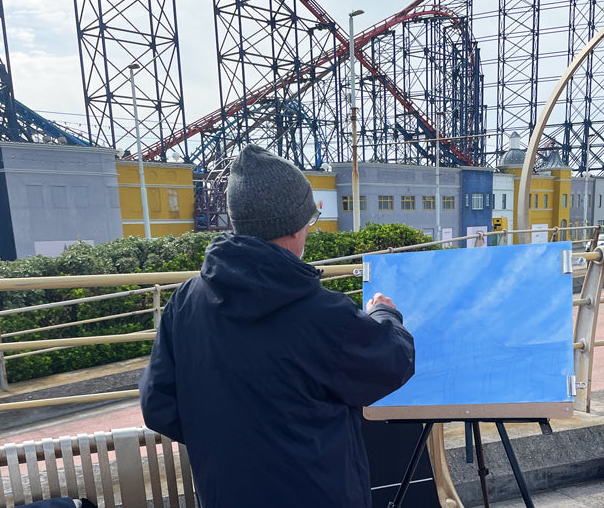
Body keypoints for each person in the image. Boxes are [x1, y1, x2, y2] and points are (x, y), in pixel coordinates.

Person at [139, 145, 415, 507]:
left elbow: (158, 404)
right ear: (295, 226)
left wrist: (231, 442)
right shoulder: (319, 312)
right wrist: (384, 314)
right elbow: (392, 361)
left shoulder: (186, 300)